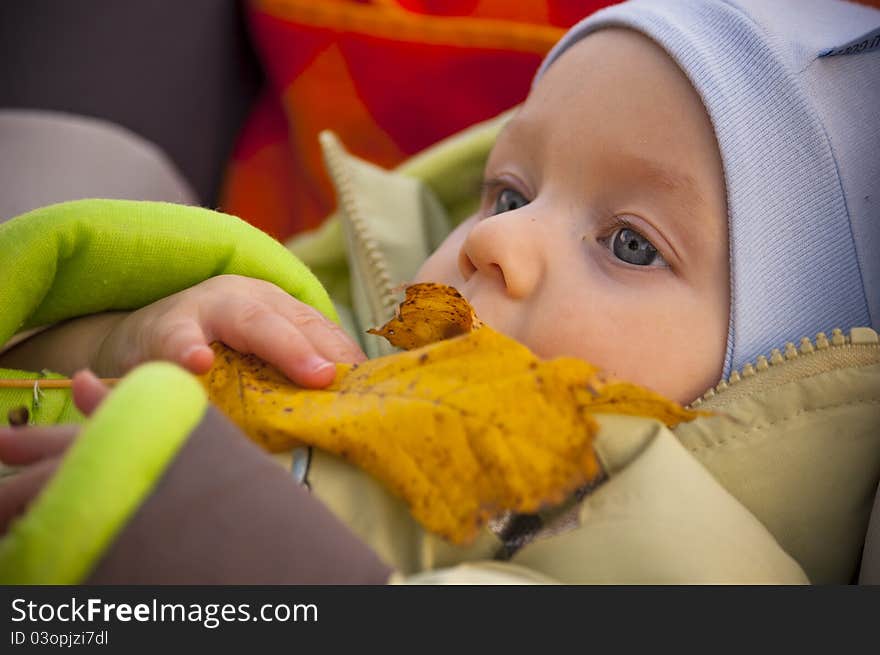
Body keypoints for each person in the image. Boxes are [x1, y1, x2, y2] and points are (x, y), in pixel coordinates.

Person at [0, 0, 878, 583]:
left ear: (766, 379)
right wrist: (121, 339)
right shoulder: (345, 340)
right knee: (82, 186)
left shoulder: (703, 568)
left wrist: (254, 556)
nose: (496, 239)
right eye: (509, 192)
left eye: (629, 244)